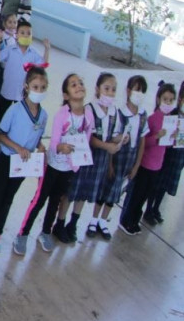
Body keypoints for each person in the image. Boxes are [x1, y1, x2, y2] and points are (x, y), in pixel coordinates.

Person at [0, 66, 49, 254]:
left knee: (8, 199)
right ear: (26, 86)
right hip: (7, 159)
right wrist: (17, 148)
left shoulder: (44, 115)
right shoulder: (15, 110)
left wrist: (39, 147)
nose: (39, 91)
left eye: (43, 87)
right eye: (35, 87)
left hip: (24, 164)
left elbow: (37, 137)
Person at [14, 74, 93, 254]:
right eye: (73, 85)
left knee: (55, 201)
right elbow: (55, 142)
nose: (79, 86)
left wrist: (77, 163)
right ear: (66, 95)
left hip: (69, 169)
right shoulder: (62, 115)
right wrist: (60, 147)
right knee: (39, 199)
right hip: (52, 166)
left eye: (80, 83)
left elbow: (86, 143)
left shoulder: (88, 116)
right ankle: (23, 233)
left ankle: (46, 231)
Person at [60, 73, 124, 240]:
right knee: (71, 192)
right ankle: (60, 222)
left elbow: (113, 135)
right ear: (97, 89)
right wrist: (106, 146)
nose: (110, 93)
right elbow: (89, 138)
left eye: (113, 90)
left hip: (100, 163)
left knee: (84, 194)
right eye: (106, 88)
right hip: (83, 159)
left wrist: (121, 139)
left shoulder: (114, 112)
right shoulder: (89, 109)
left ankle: (73, 224)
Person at [93, 76, 149, 239]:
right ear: (128, 90)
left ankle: (103, 222)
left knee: (115, 193)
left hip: (129, 163)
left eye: (142, 91)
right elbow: (112, 138)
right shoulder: (119, 113)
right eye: (136, 89)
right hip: (116, 160)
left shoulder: (143, 115)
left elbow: (142, 141)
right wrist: (109, 163)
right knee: (104, 191)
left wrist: (137, 165)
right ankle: (94, 219)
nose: (139, 93)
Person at [119, 82, 177, 236]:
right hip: (145, 164)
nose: (168, 103)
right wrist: (157, 137)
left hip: (157, 166)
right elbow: (145, 142)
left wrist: (173, 137)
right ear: (158, 99)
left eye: (171, 100)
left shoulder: (171, 120)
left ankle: (134, 220)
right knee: (136, 194)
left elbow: (168, 146)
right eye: (165, 99)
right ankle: (125, 220)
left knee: (144, 196)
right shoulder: (152, 119)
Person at [0, 20, 50, 140]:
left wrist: (47, 49)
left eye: (28, 33)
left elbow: (43, 64)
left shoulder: (33, 53)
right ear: (16, 34)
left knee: (19, 115)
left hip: (22, 92)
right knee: (2, 113)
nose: (25, 35)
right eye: (22, 32)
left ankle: (12, 137)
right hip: (7, 89)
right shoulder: (10, 49)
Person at [147, 82, 184, 224]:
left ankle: (156, 208)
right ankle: (149, 209)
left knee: (165, 185)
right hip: (167, 155)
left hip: (179, 156)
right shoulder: (172, 114)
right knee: (158, 183)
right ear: (180, 98)